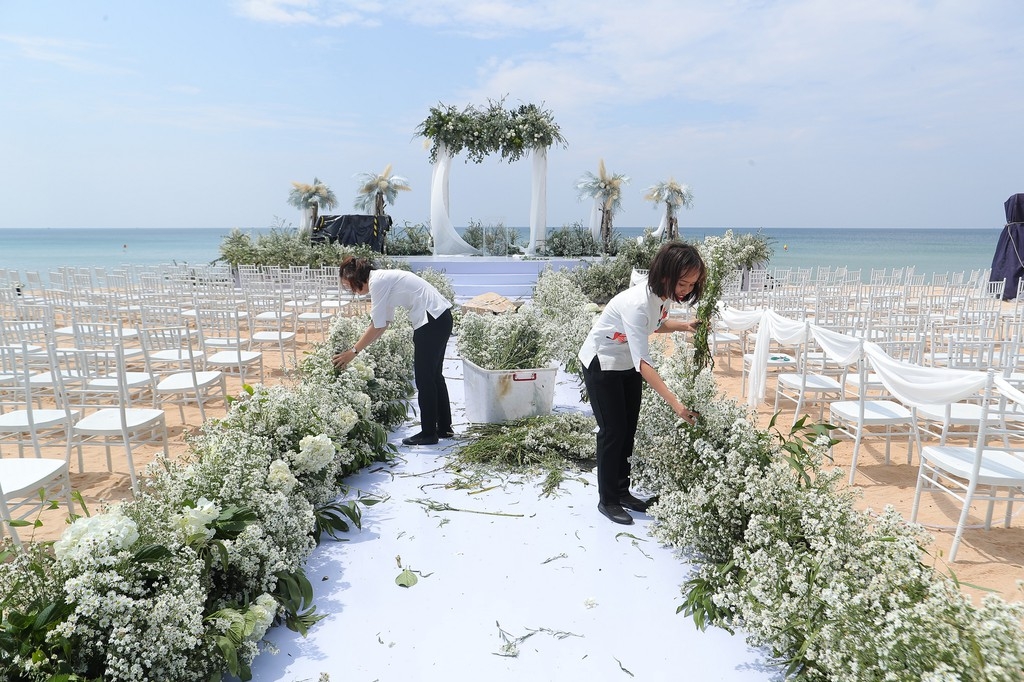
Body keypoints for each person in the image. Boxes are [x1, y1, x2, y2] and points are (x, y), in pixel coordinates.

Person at [577, 241, 706, 525]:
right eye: (682, 283)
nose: (685, 290)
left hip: (626, 364)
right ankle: (608, 500)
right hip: (603, 362)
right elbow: (644, 363)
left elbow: (656, 324)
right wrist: (677, 406)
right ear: (665, 274)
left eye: (691, 285)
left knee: (628, 430)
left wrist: (686, 325)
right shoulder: (636, 303)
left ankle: (622, 492)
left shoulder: (661, 296)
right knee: (613, 431)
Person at [332, 256, 454, 446]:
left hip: (431, 320)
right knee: (434, 376)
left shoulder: (377, 282)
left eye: (350, 287)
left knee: (425, 379)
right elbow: (382, 325)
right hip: (440, 317)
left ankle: (429, 433)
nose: (353, 292)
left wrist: (353, 352)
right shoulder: (382, 280)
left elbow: (376, 324)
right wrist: (359, 350)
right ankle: (444, 428)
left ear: (356, 278)